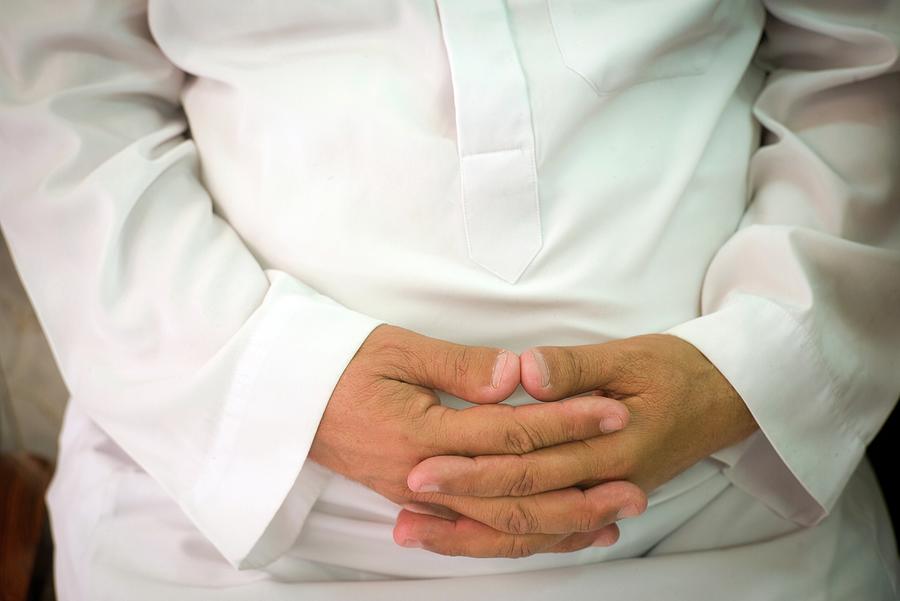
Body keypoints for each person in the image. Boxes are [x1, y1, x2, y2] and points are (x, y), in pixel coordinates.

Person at [1, 0, 898, 598]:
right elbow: (58, 95)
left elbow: (861, 58)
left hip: (742, 526)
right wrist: (282, 392)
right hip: (218, 547)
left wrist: (752, 367)